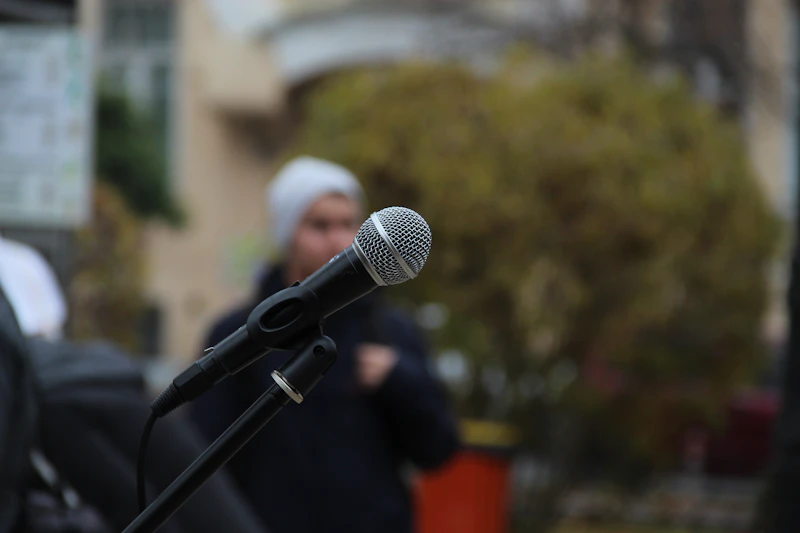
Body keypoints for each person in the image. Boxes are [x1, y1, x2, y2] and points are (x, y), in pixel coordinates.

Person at [190, 156, 459, 533]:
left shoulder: (391, 332)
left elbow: (438, 451)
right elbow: (201, 462)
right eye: (319, 225)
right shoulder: (239, 334)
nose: (338, 239)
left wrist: (400, 379)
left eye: (349, 224)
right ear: (287, 233)